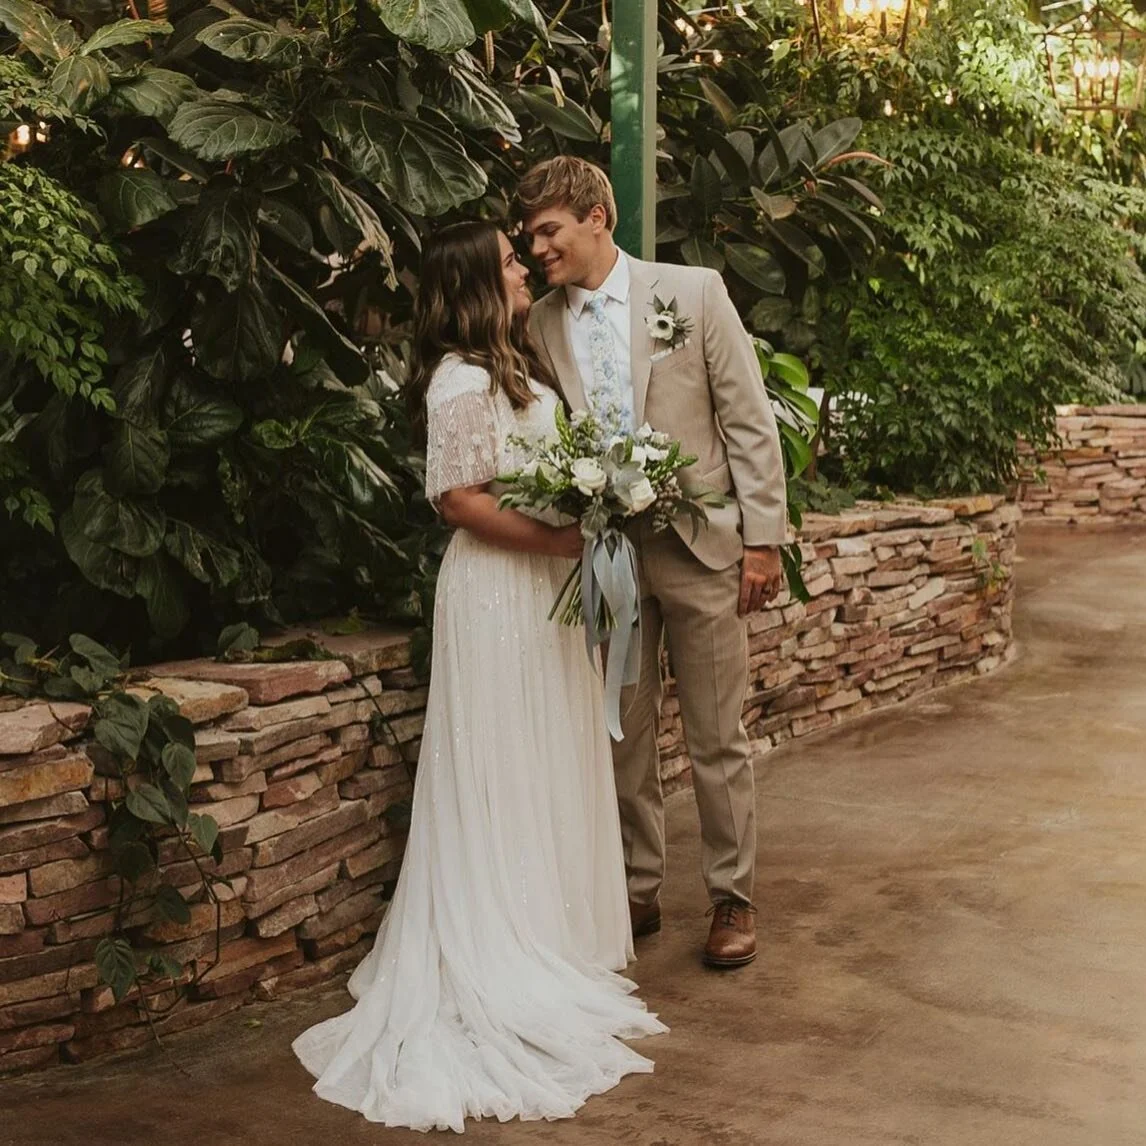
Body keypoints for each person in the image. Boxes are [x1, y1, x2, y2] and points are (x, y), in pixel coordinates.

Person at [292, 221, 666, 1132]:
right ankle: (501, 946)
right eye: (509, 259)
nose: (524, 265)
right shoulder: (459, 378)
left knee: (546, 756)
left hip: (541, 589)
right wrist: (565, 535)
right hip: (498, 591)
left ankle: (554, 936)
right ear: (473, 283)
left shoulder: (520, 368)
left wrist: (592, 506)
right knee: (500, 763)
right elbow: (457, 499)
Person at [518, 156, 788, 970]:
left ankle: (731, 897)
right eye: (530, 237)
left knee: (716, 736)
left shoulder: (694, 293)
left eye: (548, 230)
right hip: (607, 559)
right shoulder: (539, 326)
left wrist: (764, 538)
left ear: (596, 216)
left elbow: (747, 419)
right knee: (622, 734)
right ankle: (635, 889)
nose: (537, 250)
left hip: (703, 551)